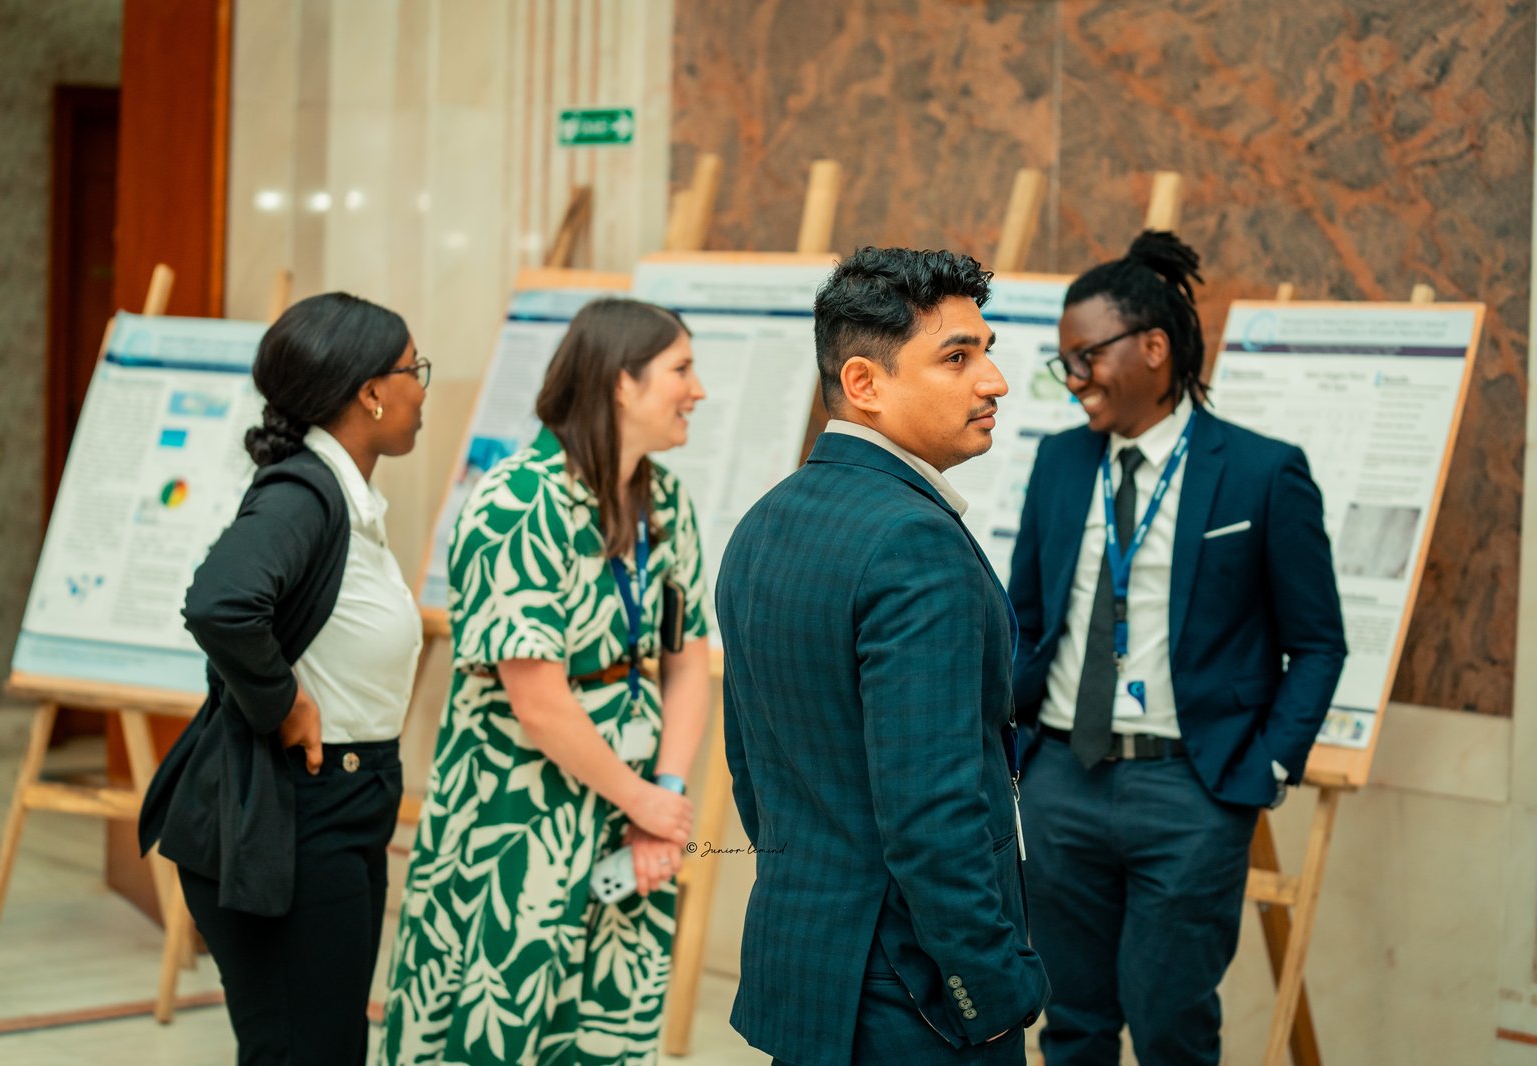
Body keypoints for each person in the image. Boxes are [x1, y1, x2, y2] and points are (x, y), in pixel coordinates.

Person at [1007, 231, 1348, 1065]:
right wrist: (1019, 755)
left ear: (1154, 348)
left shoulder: (1262, 473)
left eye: (1087, 356)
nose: (1073, 378)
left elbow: (1317, 643)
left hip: (1189, 794)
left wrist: (1268, 766)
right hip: (1061, 783)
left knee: (1172, 1029)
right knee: (1072, 1024)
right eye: (1064, 361)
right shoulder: (1059, 462)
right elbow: (1025, 616)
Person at [717, 246, 1050, 1066]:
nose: (994, 382)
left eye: (987, 351)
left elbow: (756, 777)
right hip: (917, 998)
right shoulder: (913, 542)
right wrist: (989, 988)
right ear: (864, 383)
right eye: (957, 358)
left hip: (809, 972)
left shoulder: (764, 520)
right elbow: (932, 814)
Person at [381, 297, 711, 1066]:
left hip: (631, 811)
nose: (697, 391)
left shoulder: (665, 500)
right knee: (493, 1023)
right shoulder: (516, 502)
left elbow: (687, 658)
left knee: (602, 1026)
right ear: (622, 382)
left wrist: (661, 797)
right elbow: (539, 702)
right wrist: (646, 805)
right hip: (517, 814)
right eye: (682, 370)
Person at [137, 292, 430, 1065]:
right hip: (300, 807)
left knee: (323, 1045)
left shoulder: (344, 496)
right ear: (371, 392)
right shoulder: (305, 493)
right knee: (307, 1050)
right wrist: (284, 703)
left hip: (346, 798)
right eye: (415, 371)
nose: (422, 391)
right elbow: (221, 603)